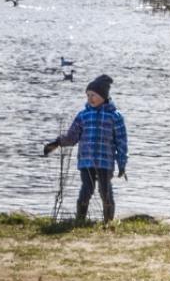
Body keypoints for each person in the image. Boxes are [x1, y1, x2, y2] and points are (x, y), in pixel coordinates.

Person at [42, 74, 127, 224]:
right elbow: (72, 137)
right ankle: (80, 220)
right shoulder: (83, 115)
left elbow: (121, 142)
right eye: (88, 95)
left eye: (93, 95)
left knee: (105, 191)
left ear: (103, 95)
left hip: (104, 162)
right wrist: (56, 143)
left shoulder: (115, 116)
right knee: (86, 189)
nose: (90, 98)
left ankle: (108, 221)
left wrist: (122, 164)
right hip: (86, 161)